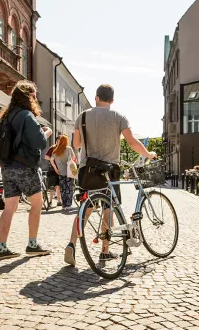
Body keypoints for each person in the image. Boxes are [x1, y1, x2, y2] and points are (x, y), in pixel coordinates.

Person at [64, 84, 156, 266]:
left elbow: (76, 144)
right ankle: (104, 251)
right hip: (110, 170)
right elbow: (131, 142)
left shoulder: (82, 116)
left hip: (87, 169)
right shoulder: (118, 117)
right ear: (112, 101)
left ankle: (72, 244)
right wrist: (148, 154)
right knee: (108, 209)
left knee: (86, 208)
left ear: (96, 97)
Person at [0, 80, 52, 259]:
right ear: (29, 97)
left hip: (7, 166)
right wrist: (47, 132)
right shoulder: (27, 115)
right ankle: (32, 244)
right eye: (35, 96)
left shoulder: (7, 116)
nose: (36, 99)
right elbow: (40, 142)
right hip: (25, 167)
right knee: (37, 203)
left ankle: (1, 248)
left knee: (9, 207)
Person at [51, 135, 77, 210]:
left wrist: (55, 168)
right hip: (69, 172)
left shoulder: (56, 150)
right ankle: (68, 205)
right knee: (69, 188)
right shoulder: (68, 148)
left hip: (60, 172)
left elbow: (51, 159)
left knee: (63, 188)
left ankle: (64, 205)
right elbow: (73, 157)